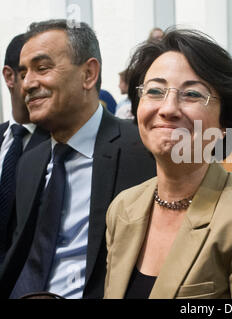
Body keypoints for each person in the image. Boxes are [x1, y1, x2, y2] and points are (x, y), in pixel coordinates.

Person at [103, 29, 232, 299]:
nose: (168, 109)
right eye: (154, 91)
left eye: (192, 95)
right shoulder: (123, 207)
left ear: (224, 123)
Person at [0, 19, 156, 299]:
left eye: (42, 68)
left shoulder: (143, 152)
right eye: (23, 73)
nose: (28, 84)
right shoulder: (29, 161)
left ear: (88, 74)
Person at [0, 34, 49, 262]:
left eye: (43, 70)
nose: (35, 83)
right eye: (25, 73)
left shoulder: (57, 144)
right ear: (10, 77)